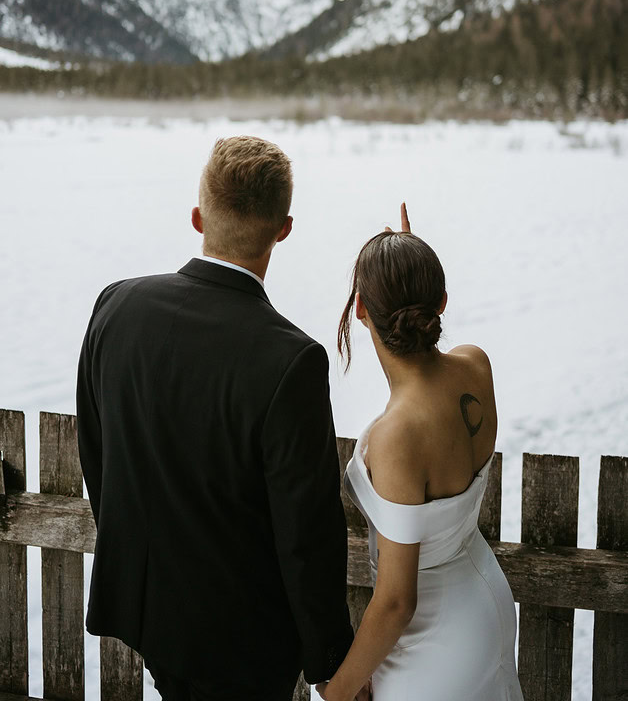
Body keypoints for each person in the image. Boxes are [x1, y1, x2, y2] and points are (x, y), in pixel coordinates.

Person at [76, 134, 353, 701]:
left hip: (148, 615)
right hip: (245, 643)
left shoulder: (117, 307)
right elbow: (307, 534)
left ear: (199, 216)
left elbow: (96, 454)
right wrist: (330, 658)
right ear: (283, 229)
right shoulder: (291, 359)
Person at [317, 205, 523, 701]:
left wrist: (337, 692)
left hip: (434, 643)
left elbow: (395, 603)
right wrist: (409, 265)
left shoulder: (396, 437)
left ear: (361, 310)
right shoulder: (475, 365)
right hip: (486, 604)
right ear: (442, 303)